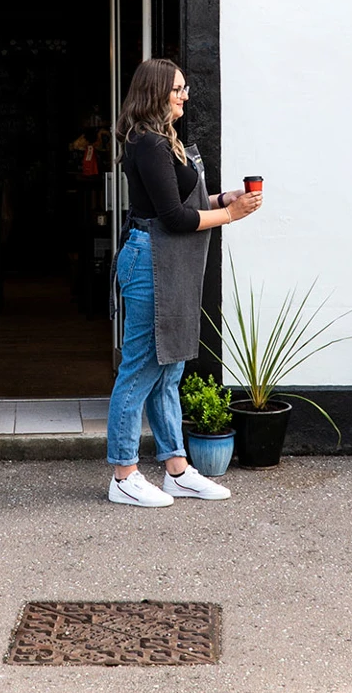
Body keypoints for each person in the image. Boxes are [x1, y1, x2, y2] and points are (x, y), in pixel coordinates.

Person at [106, 57, 262, 507]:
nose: (185, 95)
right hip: (151, 258)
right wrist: (228, 216)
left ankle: (176, 468)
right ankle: (123, 475)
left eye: (185, 88)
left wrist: (223, 198)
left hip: (167, 260)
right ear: (156, 92)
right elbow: (174, 218)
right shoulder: (149, 143)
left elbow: (178, 203)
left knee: (170, 368)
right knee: (139, 368)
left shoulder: (164, 141)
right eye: (177, 89)